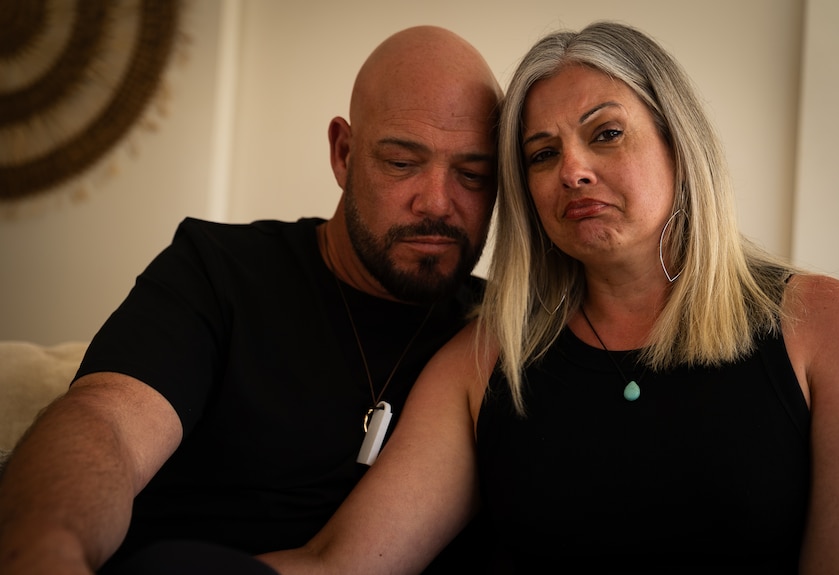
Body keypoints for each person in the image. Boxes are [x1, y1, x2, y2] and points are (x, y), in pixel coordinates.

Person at [256, 21, 839, 574]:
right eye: (542, 154)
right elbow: (339, 565)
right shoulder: (487, 360)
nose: (572, 170)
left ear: (678, 144)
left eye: (607, 134)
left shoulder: (821, 322)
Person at [0, 25, 501, 574]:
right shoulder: (219, 269)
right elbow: (108, 423)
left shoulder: (500, 335)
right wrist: (48, 547)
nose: (437, 202)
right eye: (402, 163)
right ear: (344, 152)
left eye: (472, 174)